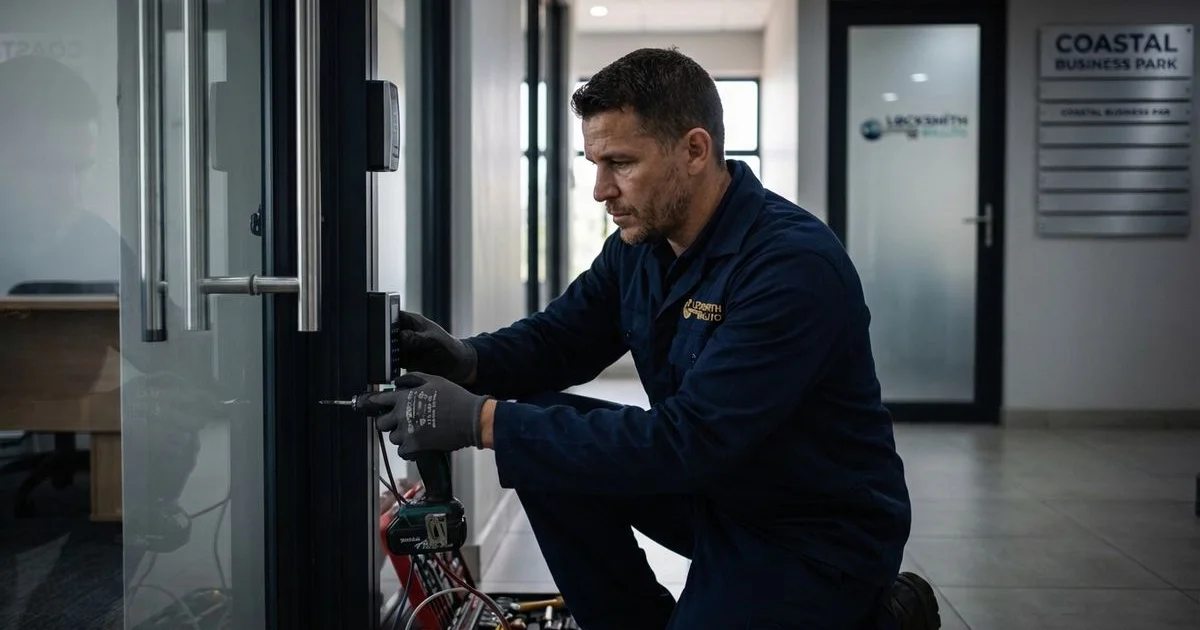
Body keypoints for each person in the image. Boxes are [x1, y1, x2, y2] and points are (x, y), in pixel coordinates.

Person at [373, 48, 939, 630]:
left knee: (525, 431)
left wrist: (482, 421)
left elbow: (689, 440)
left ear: (694, 150)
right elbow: (559, 340)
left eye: (620, 163)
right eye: (594, 163)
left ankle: (882, 617)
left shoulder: (791, 265)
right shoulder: (640, 247)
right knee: (542, 443)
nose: (601, 190)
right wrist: (467, 359)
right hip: (713, 492)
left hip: (810, 531)